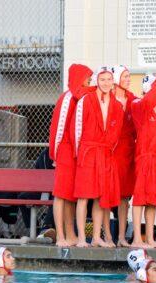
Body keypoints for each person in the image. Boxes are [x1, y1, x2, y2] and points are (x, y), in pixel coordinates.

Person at [72, 66, 123, 248]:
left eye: (109, 79)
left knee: (101, 197)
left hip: (105, 154)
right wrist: (79, 154)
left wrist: (108, 149)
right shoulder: (86, 100)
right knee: (84, 196)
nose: (106, 83)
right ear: (97, 81)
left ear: (113, 81)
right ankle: (80, 238)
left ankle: (96, 237)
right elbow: (77, 128)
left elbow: (116, 133)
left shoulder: (117, 105)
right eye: (103, 79)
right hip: (87, 152)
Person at [48, 63, 93, 247]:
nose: (89, 82)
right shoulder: (67, 98)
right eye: (87, 78)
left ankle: (71, 233)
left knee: (71, 196)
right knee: (60, 194)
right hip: (65, 151)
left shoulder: (82, 96)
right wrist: (55, 154)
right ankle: (60, 235)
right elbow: (57, 129)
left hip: (77, 152)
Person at [130, 73, 156, 249]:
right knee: (140, 198)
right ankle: (137, 237)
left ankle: (150, 239)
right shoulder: (138, 104)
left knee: (153, 200)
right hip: (144, 157)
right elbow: (150, 100)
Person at [112, 65, 138, 247]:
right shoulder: (105, 99)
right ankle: (104, 236)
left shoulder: (134, 100)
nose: (129, 79)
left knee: (124, 198)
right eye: (125, 76)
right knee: (105, 196)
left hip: (127, 152)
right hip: (110, 152)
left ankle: (121, 236)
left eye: (129, 76)